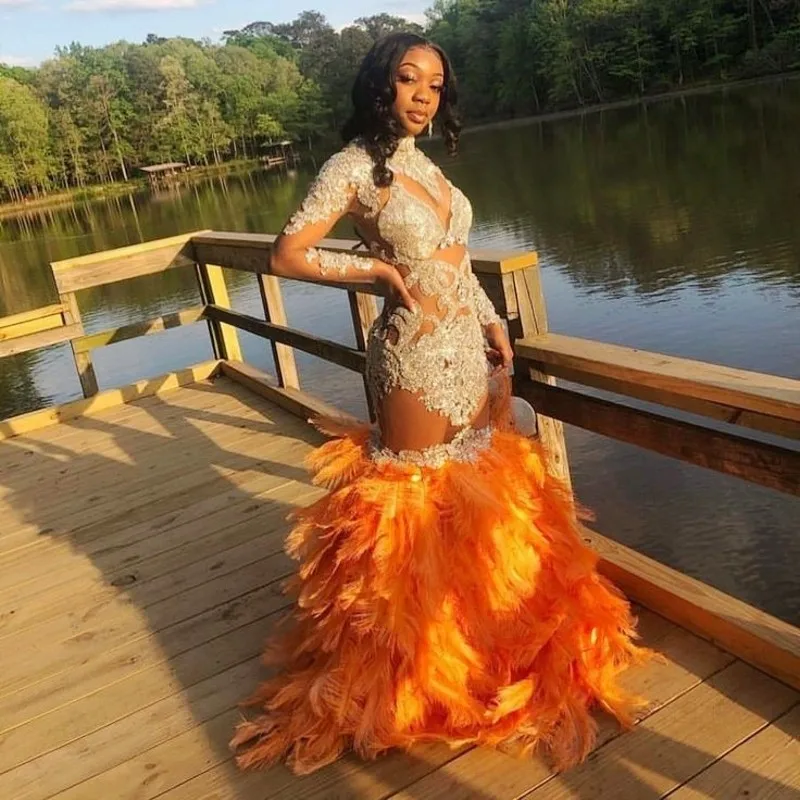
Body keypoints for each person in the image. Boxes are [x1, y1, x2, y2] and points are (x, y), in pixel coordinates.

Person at [230, 32, 649, 776]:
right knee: (416, 507)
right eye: (408, 79)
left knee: (475, 496)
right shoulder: (352, 167)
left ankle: (484, 652)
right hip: (412, 357)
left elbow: (455, 258)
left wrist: (490, 319)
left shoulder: (426, 166)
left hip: (466, 350)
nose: (424, 94)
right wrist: (374, 275)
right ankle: (412, 675)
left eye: (435, 83)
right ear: (379, 86)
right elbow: (287, 254)